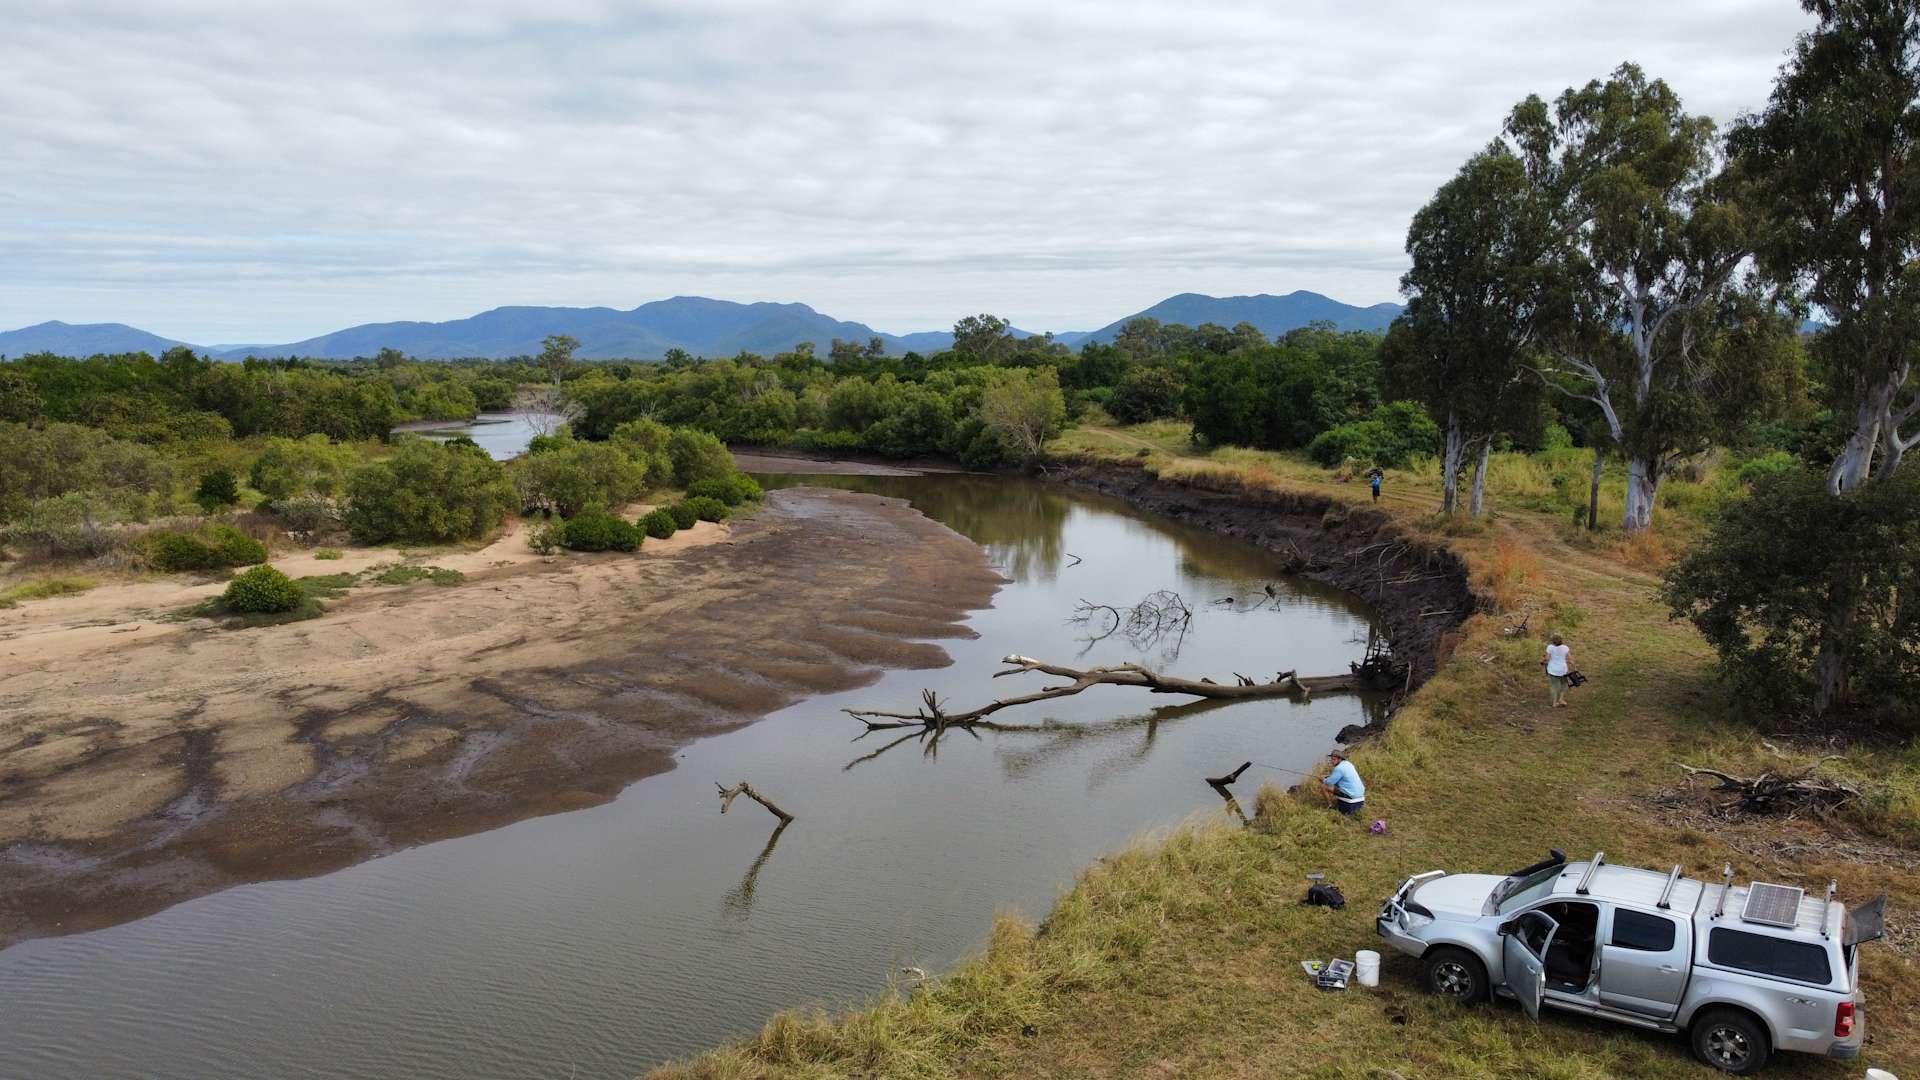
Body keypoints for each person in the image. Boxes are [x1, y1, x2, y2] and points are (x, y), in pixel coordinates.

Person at [1320, 749, 1366, 815]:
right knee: (1337, 784)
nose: (1332, 761)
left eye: (1334, 759)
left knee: (1324, 786)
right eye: (1331, 759)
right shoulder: (1348, 764)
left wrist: (1323, 779)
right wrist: (1328, 776)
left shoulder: (1338, 768)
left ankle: (1330, 806)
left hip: (1351, 795)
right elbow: (1341, 776)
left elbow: (1329, 783)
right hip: (1360, 794)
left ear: (1339, 759)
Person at [1543, 634, 1573, 708]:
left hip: (1552, 670)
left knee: (1554, 686)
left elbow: (1547, 658)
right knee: (1564, 684)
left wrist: (1543, 660)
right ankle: (1561, 699)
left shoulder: (1550, 647)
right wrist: (1573, 665)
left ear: (1552, 641)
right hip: (1562, 670)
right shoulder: (1565, 648)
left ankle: (1554, 703)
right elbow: (1570, 659)